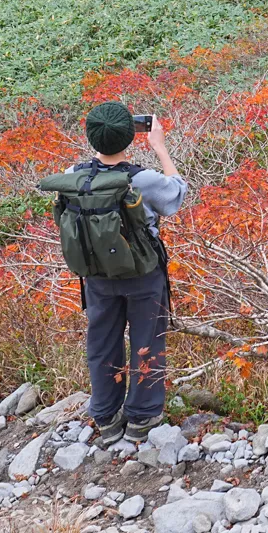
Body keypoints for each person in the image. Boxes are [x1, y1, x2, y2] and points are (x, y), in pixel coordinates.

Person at [76, 101, 187, 445]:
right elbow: (176, 197)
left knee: (102, 341)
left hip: (97, 274)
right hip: (143, 273)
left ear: (93, 138)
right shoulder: (144, 179)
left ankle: (107, 417)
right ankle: (142, 417)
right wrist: (160, 147)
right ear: (130, 137)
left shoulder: (73, 175)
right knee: (147, 340)